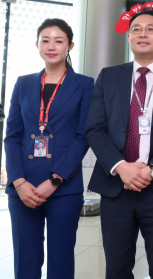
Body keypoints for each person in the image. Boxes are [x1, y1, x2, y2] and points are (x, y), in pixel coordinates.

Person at [86, 3, 153, 279]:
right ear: (129, 37)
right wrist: (121, 166)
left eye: (151, 29)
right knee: (116, 268)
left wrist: (152, 168)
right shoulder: (109, 77)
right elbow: (94, 128)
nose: (143, 34)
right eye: (136, 29)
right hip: (116, 187)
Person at [5, 18, 94, 279]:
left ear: (70, 46)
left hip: (64, 186)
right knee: (25, 260)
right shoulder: (23, 83)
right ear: (37, 45)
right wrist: (18, 181)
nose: (51, 46)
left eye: (59, 40)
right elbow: (11, 136)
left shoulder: (85, 84)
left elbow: (83, 137)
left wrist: (55, 179)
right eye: (45, 40)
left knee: (61, 259)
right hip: (23, 187)